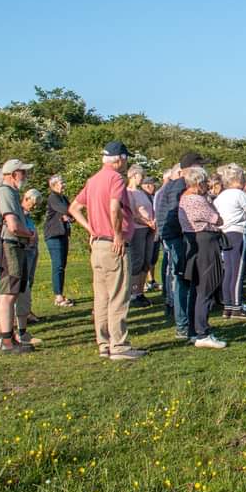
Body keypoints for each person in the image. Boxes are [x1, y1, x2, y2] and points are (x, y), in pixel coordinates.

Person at [69, 141, 146, 360]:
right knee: (118, 295)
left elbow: (74, 208)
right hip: (114, 244)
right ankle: (119, 345)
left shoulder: (93, 180)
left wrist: (91, 228)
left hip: (98, 245)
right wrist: (118, 234)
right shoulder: (116, 179)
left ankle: (103, 343)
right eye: (125, 158)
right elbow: (114, 207)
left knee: (101, 297)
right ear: (119, 159)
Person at [0, 159, 37, 354]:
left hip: (13, 245)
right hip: (9, 246)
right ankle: (7, 341)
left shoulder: (10, 193)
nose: (24, 176)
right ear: (13, 174)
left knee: (11, 292)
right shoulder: (5, 193)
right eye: (22, 172)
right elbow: (13, 225)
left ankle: (8, 337)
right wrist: (29, 234)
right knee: (8, 294)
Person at [178, 166, 227, 349]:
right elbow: (218, 219)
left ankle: (194, 329)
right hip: (205, 242)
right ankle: (202, 331)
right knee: (207, 285)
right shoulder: (196, 200)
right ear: (198, 183)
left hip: (194, 241)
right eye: (205, 182)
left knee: (197, 288)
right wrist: (209, 201)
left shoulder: (184, 198)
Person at [159, 154, 204, 340]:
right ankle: (183, 325)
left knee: (183, 280)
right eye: (200, 166)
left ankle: (185, 323)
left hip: (175, 236)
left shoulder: (175, 185)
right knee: (182, 281)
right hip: (178, 238)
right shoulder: (180, 186)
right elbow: (176, 214)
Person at [213, 163, 246, 320]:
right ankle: (237, 306)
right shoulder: (240, 194)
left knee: (229, 271)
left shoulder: (221, 196)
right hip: (238, 232)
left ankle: (228, 306)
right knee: (238, 271)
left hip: (224, 233)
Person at [14, 188, 42, 346]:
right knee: (23, 284)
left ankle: (26, 312)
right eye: (34, 203)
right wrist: (30, 237)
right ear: (27, 199)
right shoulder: (20, 213)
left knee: (29, 282)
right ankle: (19, 318)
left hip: (32, 250)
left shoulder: (27, 214)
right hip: (25, 250)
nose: (35, 207)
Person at [154, 164, 181, 321]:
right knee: (173, 270)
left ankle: (172, 302)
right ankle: (171, 303)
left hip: (168, 233)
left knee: (172, 269)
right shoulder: (168, 190)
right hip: (171, 234)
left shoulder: (168, 189)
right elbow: (166, 213)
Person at [126, 165, 156, 308]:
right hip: (138, 229)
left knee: (146, 260)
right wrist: (148, 222)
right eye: (140, 176)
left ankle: (140, 291)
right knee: (137, 261)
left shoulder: (141, 192)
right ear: (133, 176)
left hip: (149, 229)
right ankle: (132, 292)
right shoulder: (129, 192)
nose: (142, 179)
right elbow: (133, 214)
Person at [44, 174, 74, 307]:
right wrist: (69, 213)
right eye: (61, 183)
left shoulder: (63, 197)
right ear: (54, 185)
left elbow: (71, 214)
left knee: (62, 265)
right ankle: (58, 296)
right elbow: (67, 210)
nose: (63, 185)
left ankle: (60, 293)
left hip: (63, 234)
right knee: (58, 265)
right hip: (54, 235)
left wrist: (70, 217)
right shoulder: (53, 198)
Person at [142, 176, 160, 292]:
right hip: (146, 229)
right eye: (154, 185)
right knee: (146, 257)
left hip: (155, 230)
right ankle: (142, 283)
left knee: (153, 257)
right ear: (148, 185)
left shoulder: (153, 196)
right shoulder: (143, 196)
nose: (155, 187)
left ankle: (151, 280)